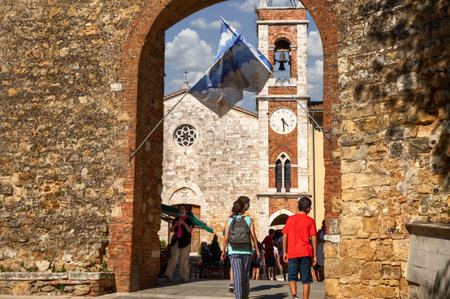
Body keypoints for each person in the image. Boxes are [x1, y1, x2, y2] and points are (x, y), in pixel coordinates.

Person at [221, 198, 260, 299]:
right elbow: (253, 236)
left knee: (237, 276)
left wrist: (223, 251)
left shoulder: (230, 219)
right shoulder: (248, 219)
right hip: (247, 251)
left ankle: (239, 297)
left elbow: (226, 238)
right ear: (243, 209)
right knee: (245, 274)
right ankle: (244, 296)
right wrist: (258, 250)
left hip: (233, 250)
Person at [282, 197, 318, 299]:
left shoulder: (290, 219)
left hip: (293, 253)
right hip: (306, 253)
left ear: (299, 207)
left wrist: (285, 252)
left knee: (292, 277)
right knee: (306, 279)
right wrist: (315, 255)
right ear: (308, 208)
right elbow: (314, 238)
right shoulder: (310, 221)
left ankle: (295, 296)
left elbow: (285, 236)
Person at [164, 204, 193, 282]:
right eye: (180, 209)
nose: (181, 210)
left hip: (186, 241)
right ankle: (168, 275)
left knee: (183, 259)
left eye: (183, 209)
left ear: (186, 211)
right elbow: (171, 230)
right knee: (174, 257)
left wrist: (184, 224)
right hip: (176, 240)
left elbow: (190, 230)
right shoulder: (176, 219)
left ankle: (184, 277)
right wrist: (175, 224)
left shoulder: (189, 220)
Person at [228, 196, 251, 293]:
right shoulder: (247, 218)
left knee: (234, 265)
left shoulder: (231, 217)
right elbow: (252, 234)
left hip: (232, 244)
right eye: (248, 204)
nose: (249, 206)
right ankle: (238, 287)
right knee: (242, 270)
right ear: (244, 205)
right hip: (244, 247)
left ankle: (233, 284)